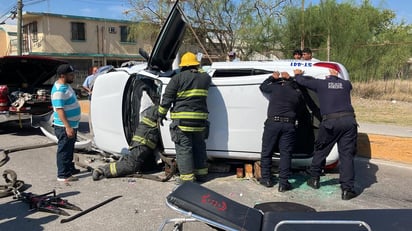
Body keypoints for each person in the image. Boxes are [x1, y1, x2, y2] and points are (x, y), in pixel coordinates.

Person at [294, 68, 358, 200]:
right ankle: (347, 190)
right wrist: (336, 77)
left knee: (321, 150)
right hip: (349, 121)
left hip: (330, 122)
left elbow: (301, 81)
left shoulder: (320, 84)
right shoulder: (345, 84)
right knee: (346, 155)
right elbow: (347, 84)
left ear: (325, 77)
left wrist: (297, 74)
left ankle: (314, 179)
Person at [158, 52, 211, 184]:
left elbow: (167, 99)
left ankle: (187, 180)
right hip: (200, 122)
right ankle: (202, 175)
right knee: (199, 148)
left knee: (184, 150)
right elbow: (203, 74)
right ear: (196, 64)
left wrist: (161, 114)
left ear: (182, 66)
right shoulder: (205, 78)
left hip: (182, 123)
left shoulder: (177, 78)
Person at [259, 71, 305, 192]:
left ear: (282, 83)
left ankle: (266, 179)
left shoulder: (276, 88)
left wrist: (272, 78)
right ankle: (283, 183)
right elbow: (299, 90)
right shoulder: (297, 93)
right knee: (286, 154)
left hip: (273, 123)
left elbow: (262, 87)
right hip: (289, 124)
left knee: (267, 151)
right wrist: (291, 80)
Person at [92, 105, 160, 180]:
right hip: (143, 141)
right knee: (131, 165)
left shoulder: (156, 107)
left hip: (145, 139)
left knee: (146, 166)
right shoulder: (160, 108)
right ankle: (103, 170)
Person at [51, 64, 82, 182]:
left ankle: (69, 168)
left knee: (69, 148)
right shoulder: (59, 91)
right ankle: (63, 175)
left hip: (72, 125)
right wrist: (67, 127)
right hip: (64, 126)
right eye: (71, 74)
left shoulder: (66, 86)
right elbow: (59, 109)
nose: (73, 76)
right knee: (64, 150)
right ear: (62, 76)